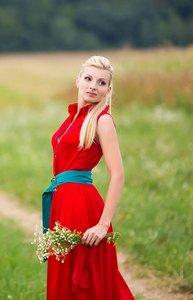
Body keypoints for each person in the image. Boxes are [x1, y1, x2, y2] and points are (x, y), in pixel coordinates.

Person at [43, 56, 134, 299]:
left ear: (108, 90)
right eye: (88, 79)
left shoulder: (102, 120)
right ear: (78, 81)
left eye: (101, 82)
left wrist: (103, 225)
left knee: (85, 279)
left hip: (82, 206)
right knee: (63, 276)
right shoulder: (72, 118)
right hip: (62, 202)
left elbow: (118, 175)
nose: (93, 86)